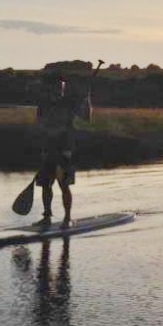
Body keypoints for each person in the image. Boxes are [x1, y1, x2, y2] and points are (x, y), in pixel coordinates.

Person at [36, 70, 91, 226]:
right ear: (50, 87)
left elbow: (87, 118)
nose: (60, 89)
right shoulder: (43, 105)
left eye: (62, 86)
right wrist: (51, 133)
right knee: (46, 185)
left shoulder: (70, 103)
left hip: (65, 149)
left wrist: (87, 100)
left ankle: (67, 218)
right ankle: (47, 217)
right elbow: (40, 124)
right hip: (48, 148)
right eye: (57, 86)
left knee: (63, 184)